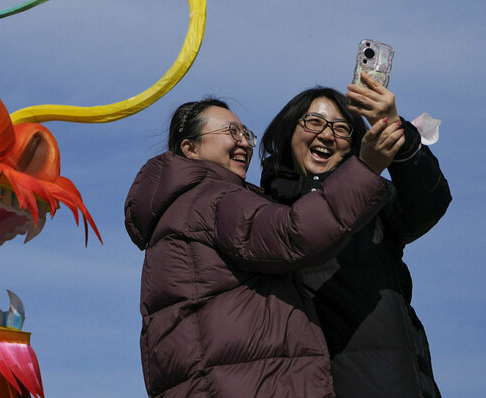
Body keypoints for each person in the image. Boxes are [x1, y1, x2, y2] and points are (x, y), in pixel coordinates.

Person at [124, 97, 404, 397]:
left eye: (246, 134)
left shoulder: (175, 214)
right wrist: (366, 169)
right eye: (231, 132)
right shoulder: (214, 198)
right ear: (190, 148)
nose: (244, 143)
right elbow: (295, 234)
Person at [260, 73, 451, 397]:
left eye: (341, 128)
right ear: (289, 130)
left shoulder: (373, 204)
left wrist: (396, 131)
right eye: (314, 122)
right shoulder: (262, 213)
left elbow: (428, 203)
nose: (327, 134)